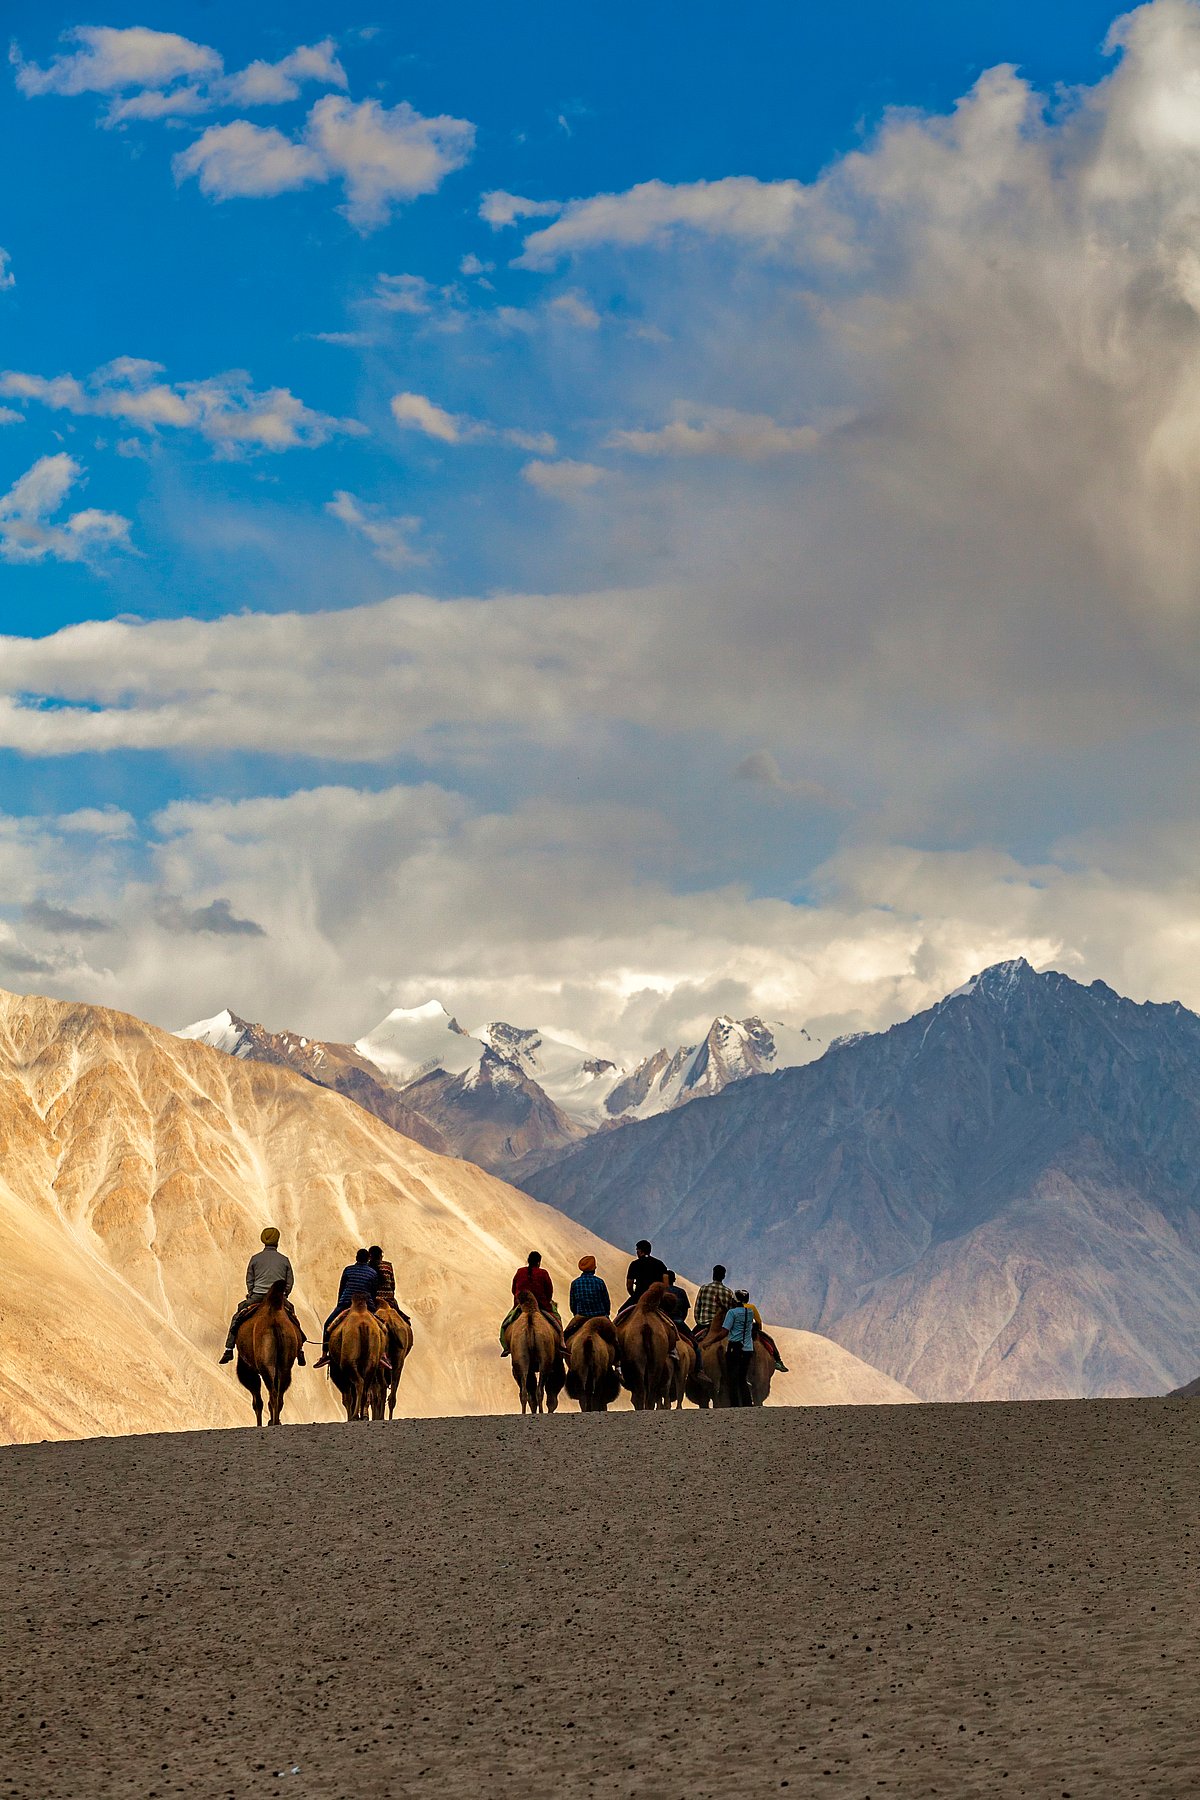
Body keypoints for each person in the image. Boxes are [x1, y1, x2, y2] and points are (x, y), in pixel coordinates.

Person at [219, 1227, 307, 1365]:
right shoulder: (284, 1260)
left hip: (258, 1295)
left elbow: (249, 1279)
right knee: (292, 1315)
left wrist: (251, 1293)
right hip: (278, 1297)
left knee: (238, 1315)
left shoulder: (255, 1259)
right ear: (277, 1241)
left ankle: (229, 1349)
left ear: (264, 1241)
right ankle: (300, 1350)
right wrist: (284, 1295)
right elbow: (289, 1281)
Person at [314, 1248, 383, 1369]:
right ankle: (382, 1354)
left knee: (327, 1325)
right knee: (382, 1327)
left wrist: (340, 1304)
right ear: (367, 1259)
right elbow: (373, 1292)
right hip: (365, 1305)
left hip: (347, 1303)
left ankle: (325, 1355)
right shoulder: (372, 1273)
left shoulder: (348, 1270)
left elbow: (342, 1289)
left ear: (356, 1258)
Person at [499, 1251, 561, 1355]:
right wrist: (546, 1301)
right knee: (557, 1319)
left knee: (505, 1325)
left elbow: (514, 1289)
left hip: (522, 1305)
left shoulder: (520, 1271)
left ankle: (506, 1347)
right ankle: (561, 1344)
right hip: (542, 1305)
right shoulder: (543, 1273)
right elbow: (549, 1291)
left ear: (528, 1260)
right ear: (539, 1262)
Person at [723, 1288, 756, 1407]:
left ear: (735, 1300)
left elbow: (724, 1331)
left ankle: (735, 1404)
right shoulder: (750, 1312)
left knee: (732, 1377)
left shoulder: (732, 1313)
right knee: (742, 1377)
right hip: (748, 1348)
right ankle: (747, 1403)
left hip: (734, 1348)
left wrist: (709, 1341)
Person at [616, 1240, 668, 1316]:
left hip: (639, 1296)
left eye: (637, 1250)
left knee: (620, 1313)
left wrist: (633, 1295)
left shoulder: (635, 1264)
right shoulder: (660, 1264)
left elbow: (629, 1285)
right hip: (656, 1299)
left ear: (640, 1251)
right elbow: (666, 1285)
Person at [565, 1256, 611, 1339]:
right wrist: (606, 1314)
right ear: (594, 1269)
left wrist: (576, 1314)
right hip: (600, 1316)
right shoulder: (600, 1282)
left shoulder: (575, 1283)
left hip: (581, 1316)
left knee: (565, 1336)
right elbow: (606, 1302)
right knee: (615, 1338)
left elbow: (573, 1304)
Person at [368, 1244, 412, 1325]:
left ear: (369, 1256)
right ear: (381, 1256)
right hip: (388, 1299)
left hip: (371, 1300)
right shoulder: (388, 1266)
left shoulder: (367, 1267)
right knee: (405, 1321)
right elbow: (392, 1285)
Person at [744, 1298, 789, 1372]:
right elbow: (758, 1320)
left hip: (735, 1331)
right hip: (750, 1331)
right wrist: (759, 1328)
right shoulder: (751, 1307)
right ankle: (778, 1361)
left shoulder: (734, 1307)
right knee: (770, 1340)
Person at [693, 1264, 736, 1335]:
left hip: (703, 1324)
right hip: (720, 1327)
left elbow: (697, 1309)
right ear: (723, 1277)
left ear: (713, 1274)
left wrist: (699, 1322)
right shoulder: (729, 1292)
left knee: (691, 1342)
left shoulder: (704, 1288)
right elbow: (730, 1313)